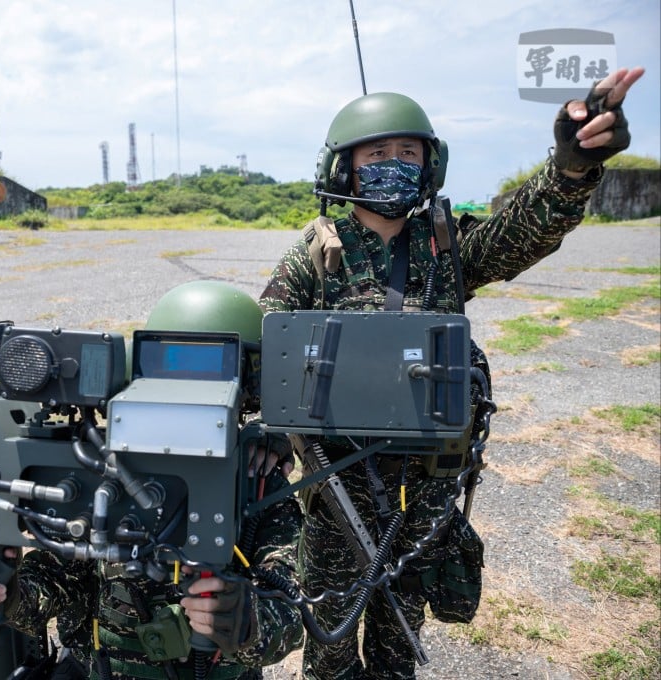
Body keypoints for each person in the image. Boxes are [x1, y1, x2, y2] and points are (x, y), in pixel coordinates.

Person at [258, 67, 644, 680]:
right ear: (344, 167)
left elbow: (527, 230)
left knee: (399, 641)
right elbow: (266, 353)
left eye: (406, 151)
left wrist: (572, 168)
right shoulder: (313, 256)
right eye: (376, 153)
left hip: (427, 485)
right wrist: (264, 443)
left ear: (429, 163)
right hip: (339, 488)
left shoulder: (446, 246)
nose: (393, 162)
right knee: (329, 640)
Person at [0, 281, 305, 679]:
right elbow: (55, 577)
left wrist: (244, 621)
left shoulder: (259, 482)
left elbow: (290, 609)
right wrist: (5, 592)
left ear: (249, 393)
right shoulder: (107, 464)